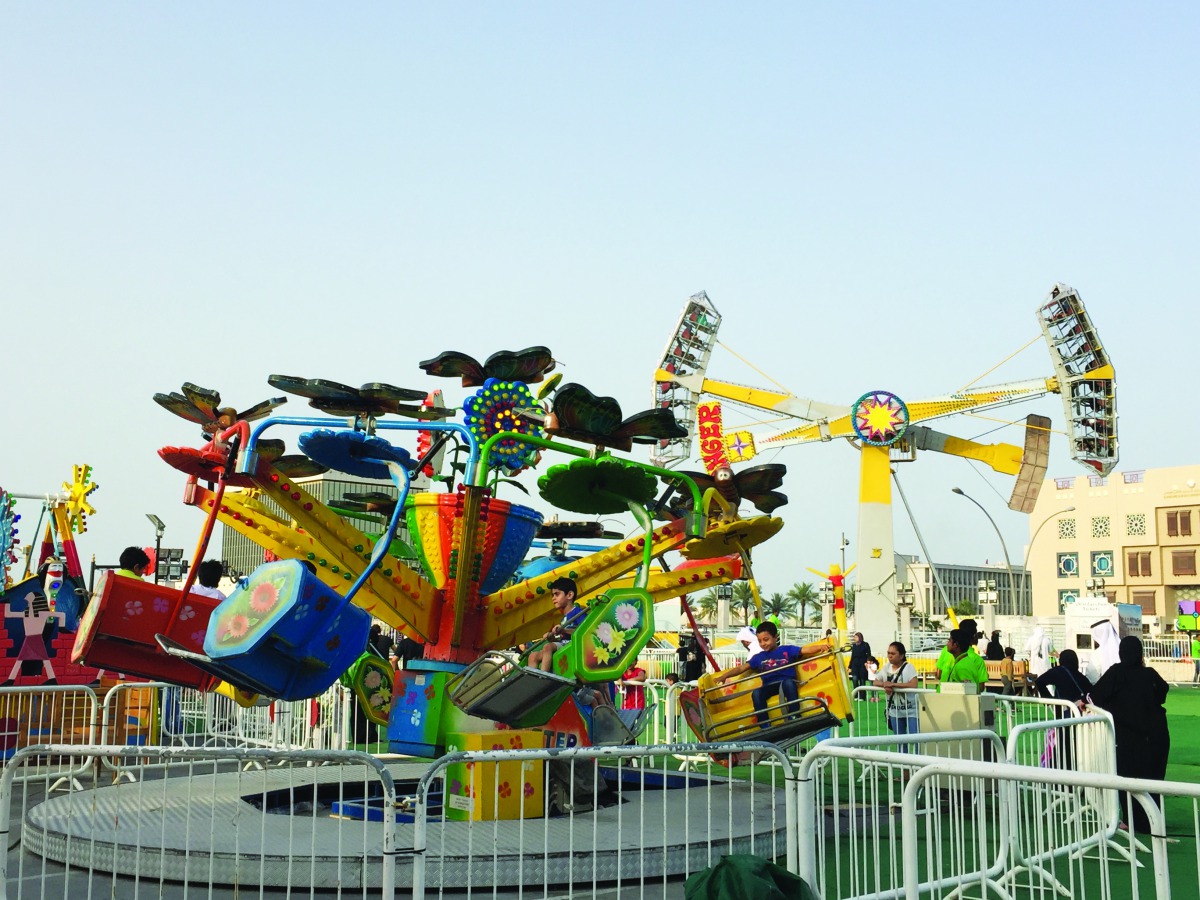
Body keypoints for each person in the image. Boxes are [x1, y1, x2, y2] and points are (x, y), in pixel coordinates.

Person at [1090, 636, 1170, 834]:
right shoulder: (1149, 674)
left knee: (1128, 778)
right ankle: (1153, 820)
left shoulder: (1117, 672)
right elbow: (1163, 692)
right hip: (1157, 735)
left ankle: (1133, 821)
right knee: (1153, 778)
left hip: (1130, 736)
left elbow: (1095, 696)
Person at [713, 622, 814, 727]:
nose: (763, 644)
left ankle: (794, 715)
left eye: (766, 640)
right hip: (769, 685)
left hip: (786, 682)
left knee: (789, 684)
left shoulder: (786, 650)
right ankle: (764, 723)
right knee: (757, 693)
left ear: (775, 637)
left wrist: (821, 647)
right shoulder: (759, 657)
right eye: (760, 641)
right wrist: (724, 676)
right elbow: (741, 668)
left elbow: (805, 650)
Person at [527, 577, 586, 672]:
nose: (553, 598)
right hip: (564, 644)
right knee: (533, 656)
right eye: (552, 595)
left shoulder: (578, 613)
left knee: (547, 647)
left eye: (557, 594)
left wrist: (564, 630)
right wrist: (552, 638)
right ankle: (532, 678)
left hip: (573, 647)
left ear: (569, 595)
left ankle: (543, 674)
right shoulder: (564, 618)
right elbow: (562, 638)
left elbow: (585, 632)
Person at [874, 641, 919, 749]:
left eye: (893, 653)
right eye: (888, 653)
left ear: (902, 655)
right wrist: (884, 684)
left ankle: (918, 759)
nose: (890, 656)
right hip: (895, 711)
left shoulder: (909, 667)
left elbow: (914, 684)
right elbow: (875, 681)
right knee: (900, 741)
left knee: (917, 740)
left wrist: (893, 685)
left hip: (911, 710)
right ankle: (903, 759)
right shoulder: (886, 667)